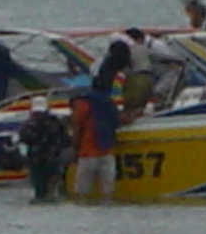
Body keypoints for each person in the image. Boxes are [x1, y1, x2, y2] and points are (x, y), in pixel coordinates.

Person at [73, 40, 126, 201]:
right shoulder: (108, 103)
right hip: (106, 153)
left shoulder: (83, 103)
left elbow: (77, 128)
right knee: (107, 194)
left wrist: (74, 151)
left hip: (87, 154)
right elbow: (117, 122)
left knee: (81, 196)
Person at [16, 95, 73, 202]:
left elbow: (23, 139)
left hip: (37, 161)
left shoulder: (28, 125)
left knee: (39, 193)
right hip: (51, 161)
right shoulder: (56, 123)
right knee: (51, 192)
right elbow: (66, 141)